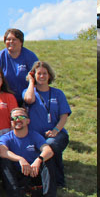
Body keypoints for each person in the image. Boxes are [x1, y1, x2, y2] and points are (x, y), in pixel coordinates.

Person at [20, 61, 72, 189]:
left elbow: (64, 115)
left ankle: (58, 182)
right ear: (34, 75)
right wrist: (31, 82)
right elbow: (28, 100)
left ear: (49, 75)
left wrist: (55, 130)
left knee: (50, 145)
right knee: (46, 147)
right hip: (35, 136)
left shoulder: (58, 93)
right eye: (38, 74)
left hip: (57, 134)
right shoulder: (28, 92)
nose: (42, 76)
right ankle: (42, 182)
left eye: (44, 73)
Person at [0, 107, 60, 197]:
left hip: (34, 172)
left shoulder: (34, 135)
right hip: (17, 174)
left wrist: (38, 160)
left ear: (28, 121)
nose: (17, 120)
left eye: (21, 117)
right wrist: (20, 159)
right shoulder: (6, 137)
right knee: (4, 162)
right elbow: (3, 152)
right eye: (14, 118)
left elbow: (48, 151)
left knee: (48, 159)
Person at [0, 28, 39, 95]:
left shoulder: (30, 56)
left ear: (21, 42)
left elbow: (37, 76)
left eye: (14, 39)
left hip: (26, 96)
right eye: (8, 39)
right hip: (5, 96)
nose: (11, 42)